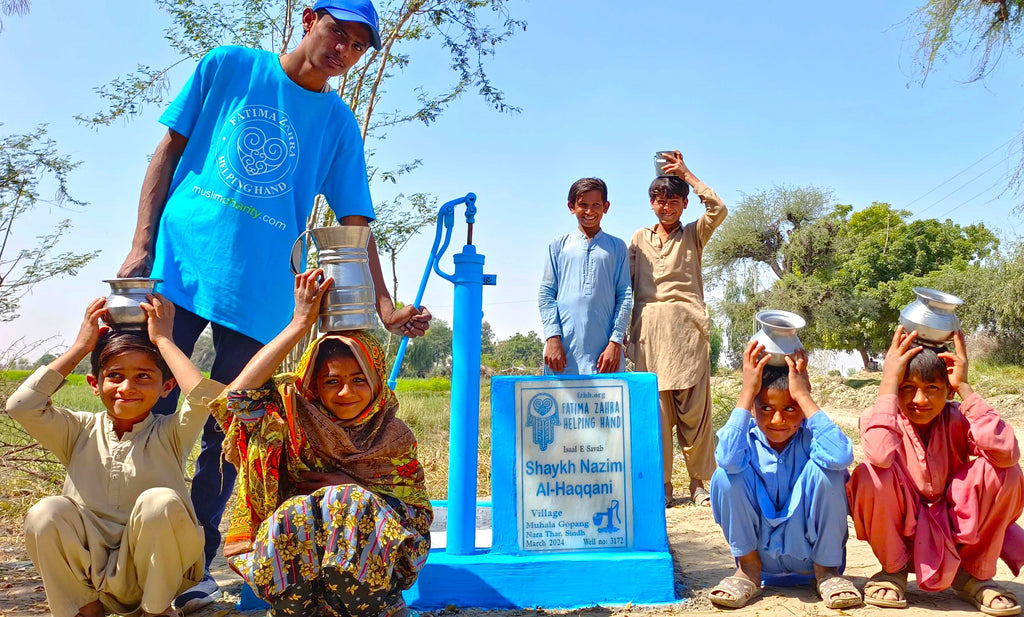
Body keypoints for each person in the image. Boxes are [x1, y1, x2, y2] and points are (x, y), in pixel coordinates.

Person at [116, 1, 430, 609]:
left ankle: (196, 568)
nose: (343, 49)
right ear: (309, 19)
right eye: (337, 31)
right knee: (146, 415)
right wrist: (141, 244)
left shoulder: (338, 124)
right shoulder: (229, 65)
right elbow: (168, 151)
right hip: (179, 268)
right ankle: (125, 555)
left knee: (230, 434)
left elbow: (355, 220)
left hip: (263, 297)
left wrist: (385, 305)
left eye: (358, 45)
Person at [208, 268, 432, 617]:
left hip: (375, 577)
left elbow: (417, 519)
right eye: (332, 381)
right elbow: (237, 399)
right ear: (314, 383)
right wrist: (299, 325)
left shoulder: (393, 437)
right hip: (297, 575)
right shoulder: (290, 415)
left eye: (359, 379)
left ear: (376, 380)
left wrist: (352, 489)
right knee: (295, 512)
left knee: (347, 500)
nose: (346, 392)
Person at [7, 296, 223, 617]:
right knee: (45, 511)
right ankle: (86, 610)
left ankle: (157, 610)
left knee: (159, 502)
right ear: (95, 384)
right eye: (116, 375)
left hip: (157, 572)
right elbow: (21, 406)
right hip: (92, 572)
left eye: (144, 377)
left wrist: (163, 339)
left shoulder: (170, 433)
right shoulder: (78, 430)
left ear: (167, 388)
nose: (127, 387)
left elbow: (204, 398)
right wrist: (82, 346)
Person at [847, 326, 1024, 614]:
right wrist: (888, 382)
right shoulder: (878, 416)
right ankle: (894, 571)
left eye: (932, 388)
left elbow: (1006, 454)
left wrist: (965, 388)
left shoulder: (957, 417)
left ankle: (972, 575)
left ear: (948, 389)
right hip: (905, 529)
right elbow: (879, 455)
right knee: (869, 475)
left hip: (956, 528)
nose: (920, 400)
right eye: (908, 388)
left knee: (1008, 473)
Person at [708, 341, 860, 609]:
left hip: (809, 558)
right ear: (753, 409)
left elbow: (840, 456)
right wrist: (747, 391)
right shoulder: (746, 443)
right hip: (761, 561)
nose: (778, 420)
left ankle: (827, 572)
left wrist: (803, 395)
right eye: (766, 408)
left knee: (830, 473)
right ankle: (747, 571)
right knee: (726, 475)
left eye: (790, 408)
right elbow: (726, 458)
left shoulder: (811, 440)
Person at [628, 150, 727, 506]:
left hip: (688, 333)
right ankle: (662, 487)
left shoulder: (694, 235)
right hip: (648, 336)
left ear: (684, 204)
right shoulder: (639, 239)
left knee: (695, 416)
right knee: (656, 418)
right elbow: (627, 287)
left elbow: (718, 209)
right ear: (651, 203)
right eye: (659, 199)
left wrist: (688, 175)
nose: (666, 206)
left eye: (673, 200)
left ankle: (699, 484)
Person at [539, 177, 632, 375]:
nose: (589, 211)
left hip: (605, 356)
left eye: (596, 205)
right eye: (583, 205)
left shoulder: (617, 247)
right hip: (563, 353)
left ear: (606, 207)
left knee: (607, 405)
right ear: (571, 207)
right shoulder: (559, 245)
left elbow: (624, 296)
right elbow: (546, 294)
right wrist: (552, 338)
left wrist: (615, 342)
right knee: (563, 404)